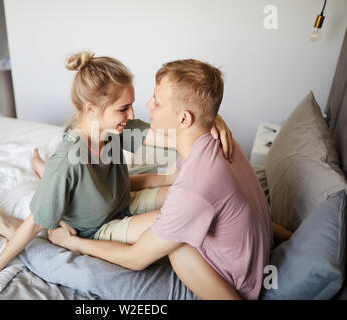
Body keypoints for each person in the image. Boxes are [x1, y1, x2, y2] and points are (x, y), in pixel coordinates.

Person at [0, 52, 239, 298]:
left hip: (120, 200)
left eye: (131, 105)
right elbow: (33, 225)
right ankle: (15, 212)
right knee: (177, 222)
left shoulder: (114, 129)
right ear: (91, 110)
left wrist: (212, 120)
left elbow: (178, 131)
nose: (131, 115)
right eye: (123, 109)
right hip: (100, 225)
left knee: (176, 190)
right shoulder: (69, 161)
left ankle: (46, 177)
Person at [48, 58, 280, 300]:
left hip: (233, 283)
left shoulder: (193, 190)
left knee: (175, 247)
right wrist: (217, 119)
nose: (148, 105)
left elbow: (136, 259)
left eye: (157, 102)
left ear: (184, 119)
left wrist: (74, 243)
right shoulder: (218, 141)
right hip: (251, 258)